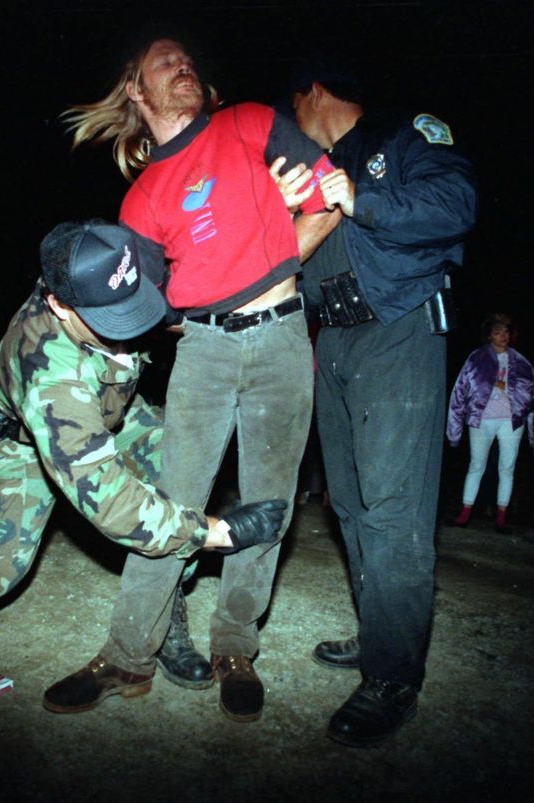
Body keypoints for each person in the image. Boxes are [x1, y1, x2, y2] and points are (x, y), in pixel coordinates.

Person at [0, 220, 289, 662]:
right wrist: (218, 533)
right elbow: (106, 498)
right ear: (59, 304)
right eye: (110, 319)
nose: (128, 327)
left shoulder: (109, 263)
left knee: (183, 468)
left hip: (117, 411)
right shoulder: (49, 376)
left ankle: (161, 608)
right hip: (29, 441)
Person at [50, 34, 344, 723]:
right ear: (136, 90)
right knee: (175, 503)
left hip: (281, 337)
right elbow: (153, 314)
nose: (184, 66)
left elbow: (331, 196)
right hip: (205, 352)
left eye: (187, 59)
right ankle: (127, 653)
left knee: (269, 503)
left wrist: (265, 270)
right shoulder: (142, 200)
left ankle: (235, 645)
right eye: (164, 62)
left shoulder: (249, 122)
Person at [271, 58, 478, 746]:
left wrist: (358, 196)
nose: (288, 129)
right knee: (350, 502)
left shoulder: (403, 138)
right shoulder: (313, 169)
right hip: (334, 340)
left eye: (290, 111)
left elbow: (455, 207)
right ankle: (378, 635)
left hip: (400, 330)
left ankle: (394, 677)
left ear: (314, 93)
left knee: (393, 508)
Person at [446, 313, 534, 534]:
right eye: (498, 331)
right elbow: (459, 392)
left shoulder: (521, 362)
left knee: (507, 468)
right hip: (481, 420)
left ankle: (501, 517)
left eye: (506, 331)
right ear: (489, 335)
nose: (503, 335)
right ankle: (464, 514)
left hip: (511, 422)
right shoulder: (476, 358)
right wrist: (454, 429)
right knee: (476, 465)